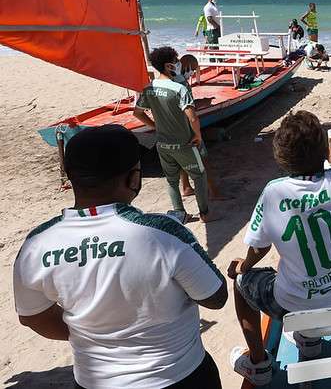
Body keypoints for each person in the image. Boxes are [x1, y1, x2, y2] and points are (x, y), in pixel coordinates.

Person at [13, 125, 227, 389]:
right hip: (180, 377)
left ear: (70, 177)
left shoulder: (35, 245)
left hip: (95, 382)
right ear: (133, 179)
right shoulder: (163, 233)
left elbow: (33, 317)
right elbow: (216, 297)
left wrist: (90, 335)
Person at [227, 112, 331, 386]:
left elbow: (258, 248)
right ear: (322, 150)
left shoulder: (274, 192)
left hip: (293, 304)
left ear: (281, 158)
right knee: (309, 279)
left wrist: (243, 267)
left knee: (242, 284)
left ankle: (258, 364)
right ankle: (310, 343)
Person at [133, 47, 217, 223]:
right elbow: (192, 117)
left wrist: (155, 126)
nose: (179, 63)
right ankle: (205, 213)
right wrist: (198, 136)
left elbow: (138, 113)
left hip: (163, 144)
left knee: (171, 180)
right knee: (199, 176)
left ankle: (180, 213)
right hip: (184, 143)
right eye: (176, 60)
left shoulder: (148, 89)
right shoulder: (179, 89)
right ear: (169, 65)